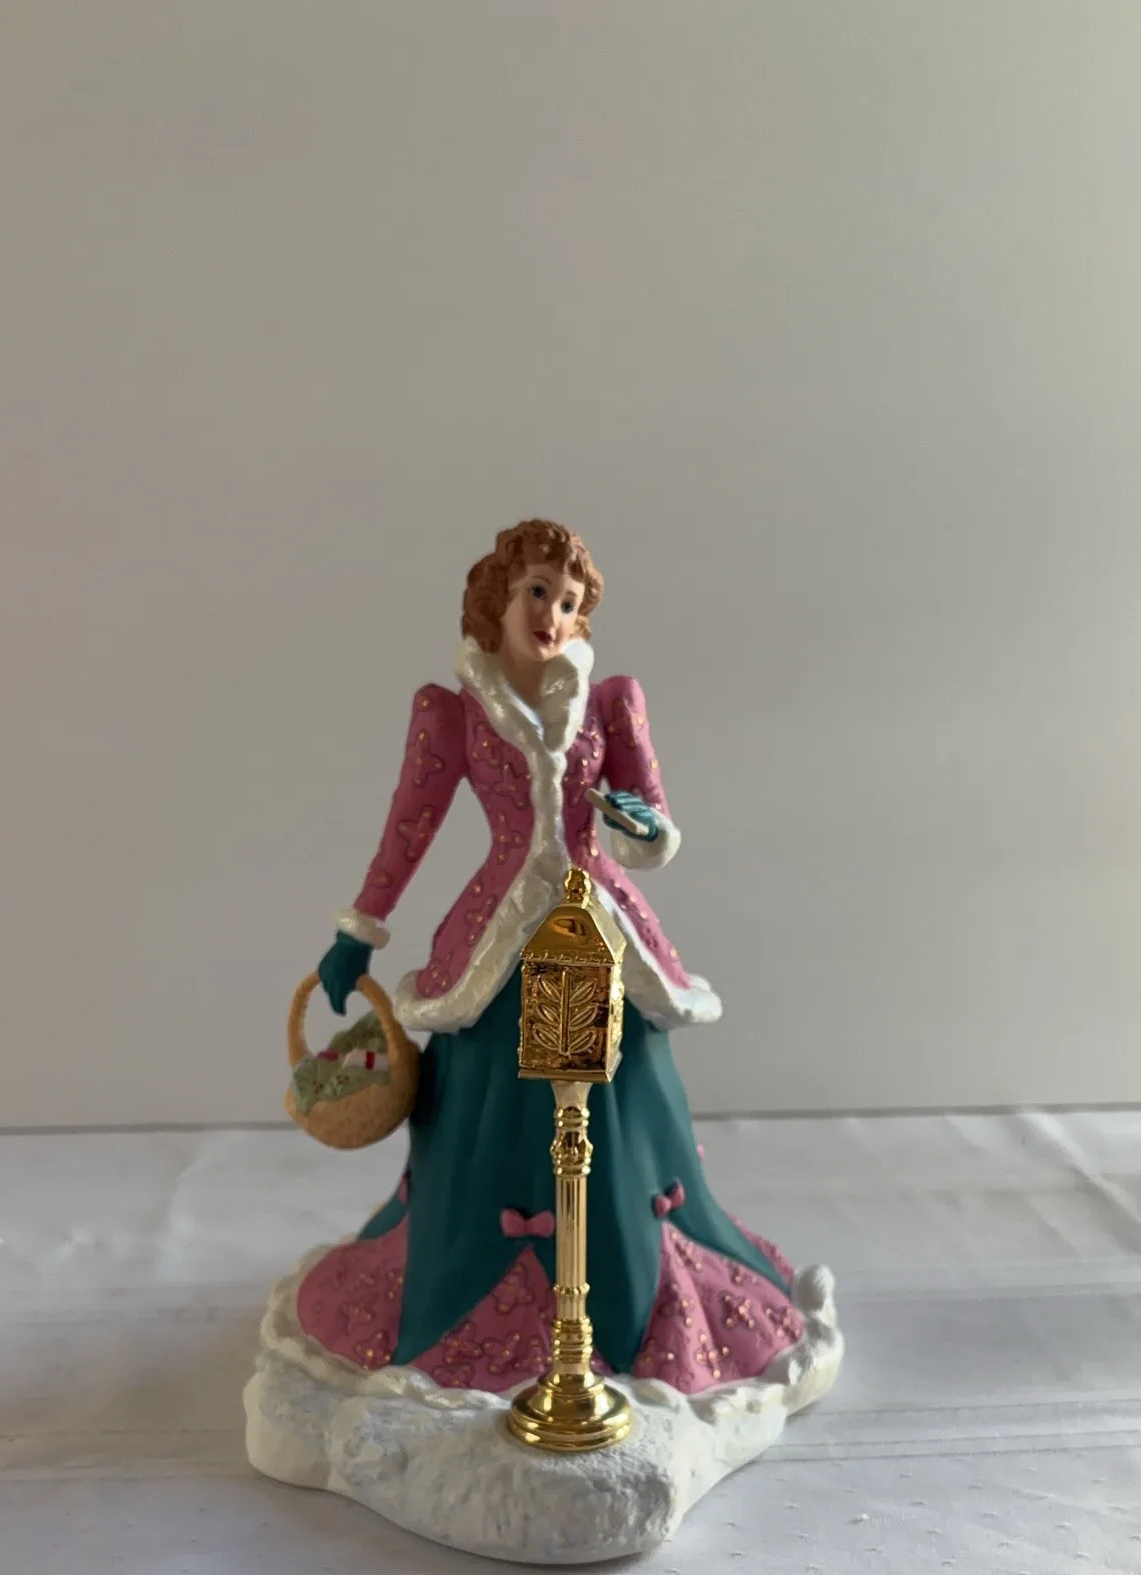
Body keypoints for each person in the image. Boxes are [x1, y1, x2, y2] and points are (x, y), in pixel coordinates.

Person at [296, 519, 807, 1392]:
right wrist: (360, 929)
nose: (553, 615)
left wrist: (639, 826)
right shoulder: (453, 712)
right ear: (498, 599)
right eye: (538, 592)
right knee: (490, 1100)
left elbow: (653, 824)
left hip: (596, 923)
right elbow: (409, 827)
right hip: (497, 935)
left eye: (569, 602)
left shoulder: (610, 702)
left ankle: (617, 1301)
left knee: (619, 1099)